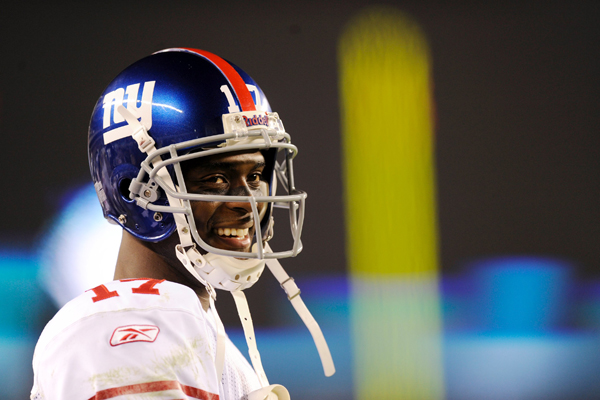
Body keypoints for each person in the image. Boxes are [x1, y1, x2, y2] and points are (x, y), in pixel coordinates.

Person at [30, 48, 334, 400]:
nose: (249, 203)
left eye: (255, 174)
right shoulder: (127, 333)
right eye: (217, 178)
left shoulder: (189, 325)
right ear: (132, 190)